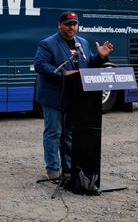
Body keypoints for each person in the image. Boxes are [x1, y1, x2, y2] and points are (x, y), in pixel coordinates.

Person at [33, 11, 114, 179]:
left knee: (70, 133)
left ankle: (68, 168)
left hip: (76, 97)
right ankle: (53, 170)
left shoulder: (82, 43)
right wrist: (63, 73)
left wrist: (100, 57)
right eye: (68, 24)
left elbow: (88, 64)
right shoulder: (47, 44)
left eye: (74, 24)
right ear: (59, 25)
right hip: (54, 97)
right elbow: (40, 65)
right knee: (54, 133)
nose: (72, 27)